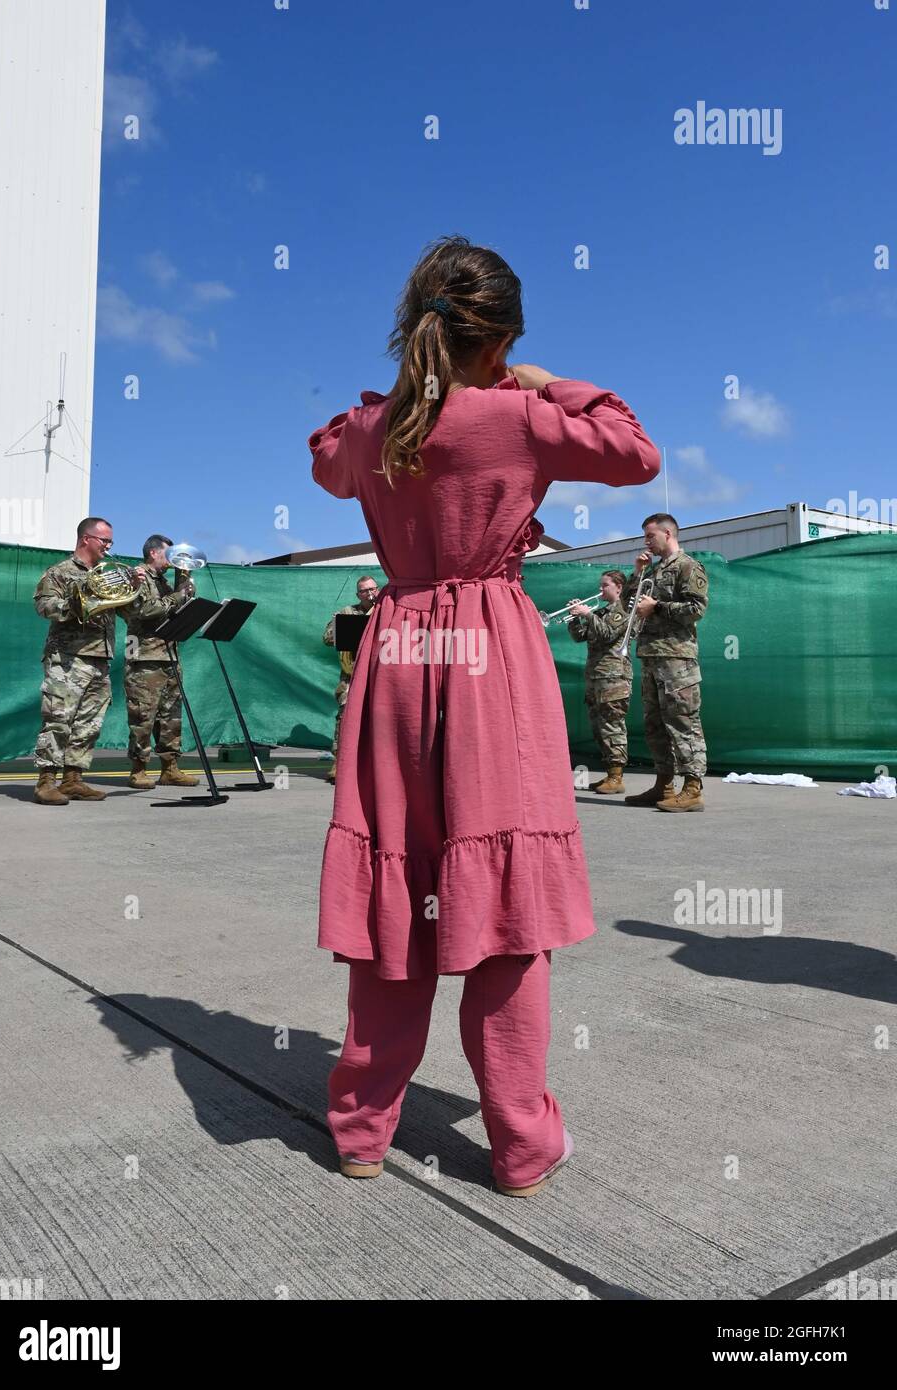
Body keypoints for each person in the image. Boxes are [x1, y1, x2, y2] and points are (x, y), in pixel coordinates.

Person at [309, 235, 660, 1197]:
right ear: (502, 337)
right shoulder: (519, 415)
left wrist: (397, 399)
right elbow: (636, 451)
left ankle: (361, 1130)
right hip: (489, 656)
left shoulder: (369, 431)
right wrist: (552, 386)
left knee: (398, 891)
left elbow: (327, 462)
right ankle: (519, 1145)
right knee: (503, 909)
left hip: (399, 654)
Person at [32, 517, 146, 804]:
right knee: (58, 719)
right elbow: (44, 606)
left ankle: (73, 779)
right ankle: (46, 781)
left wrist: (135, 587)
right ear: (86, 539)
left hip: (100, 658)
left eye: (110, 542)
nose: (108, 546)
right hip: (68, 657)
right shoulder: (60, 571)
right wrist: (78, 601)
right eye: (104, 540)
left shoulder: (109, 572)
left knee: (89, 723)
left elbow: (132, 614)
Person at [621, 513, 708, 812]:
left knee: (683, 723)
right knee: (654, 724)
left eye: (650, 536)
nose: (646, 542)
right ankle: (664, 785)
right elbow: (627, 605)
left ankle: (693, 788)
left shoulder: (688, 566)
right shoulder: (653, 571)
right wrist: (637, 572)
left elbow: (696, 609)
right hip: (651, 657)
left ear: (668, 533)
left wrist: (657, 607)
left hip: (677, 659)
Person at [123, 534, 199, 788]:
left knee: (171, 717)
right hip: (144, 657)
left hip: (169, 655)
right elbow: (144, 610)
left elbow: (178, 610)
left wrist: (184, 583)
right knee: (143, 716)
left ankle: (170, 767)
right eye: (169, 554)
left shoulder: (165, 582)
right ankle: (138, 769)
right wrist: (177, 596)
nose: (173, 559)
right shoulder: (138, 577)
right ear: (154, 553)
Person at [566, 569, 632, 794]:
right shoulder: (601, 612)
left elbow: (606, 634)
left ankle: (617, 776)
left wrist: (587, 615)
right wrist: (575, 617)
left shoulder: (621, 611)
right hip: (596, 678)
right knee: (599, 727)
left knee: (612, 726)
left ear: (618, 588)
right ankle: (610, 773)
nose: (600, 589)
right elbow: (579, 637)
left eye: (605, 585)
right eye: (601, 585)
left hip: (614, 679)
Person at [321, 576, 379, 784]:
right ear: (358, 595)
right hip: (351, 676)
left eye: (373, 588)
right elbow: (327, 638)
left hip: (380, 675)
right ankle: (340, 763)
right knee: (345, 718)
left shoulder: (386, 611)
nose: (370, 593)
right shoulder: (347, 612)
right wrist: (340, 625)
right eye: (364, 590)